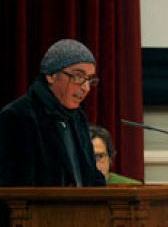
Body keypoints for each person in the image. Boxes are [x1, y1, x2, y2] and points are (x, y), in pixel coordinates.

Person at [0, 39, 105, 187]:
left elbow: (90, 175)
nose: (86, 87)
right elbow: (13, 185)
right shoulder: (17, 116)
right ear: (51, 75)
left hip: (80, 203)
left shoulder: (78, 118)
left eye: (90, 79)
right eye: (78, 76)